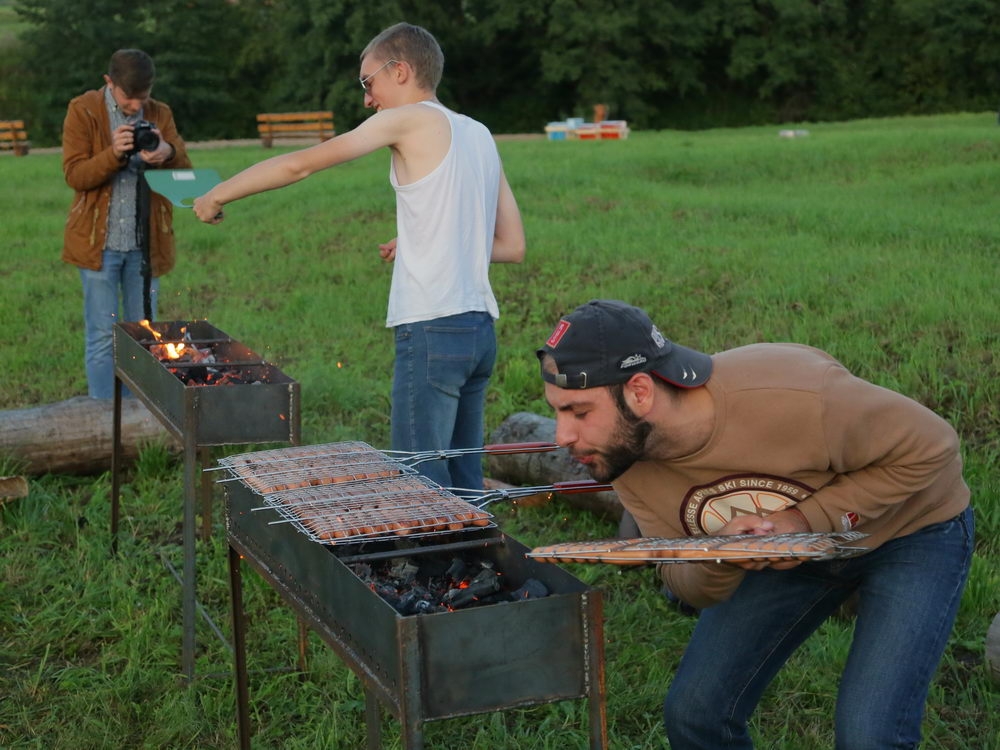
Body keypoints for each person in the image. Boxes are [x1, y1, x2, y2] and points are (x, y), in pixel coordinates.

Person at [536, 299, 973, 749]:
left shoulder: (794, 392)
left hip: (910, 532)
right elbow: (680, 577)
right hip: (786, 554)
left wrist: (803, 520)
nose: (562, 436)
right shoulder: (624, 460)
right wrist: (720, 555)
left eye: (579, 412)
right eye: (557, 411)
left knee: (868, 735)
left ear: (640, 392)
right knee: (695, 714)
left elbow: (933, 446)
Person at [193, 23, 525, 491]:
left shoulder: (409, 119)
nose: (367, 99)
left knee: (421, 487)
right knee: (464, 480)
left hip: (432, 326)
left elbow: (299, 164)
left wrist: (216, 194)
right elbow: (512, 246)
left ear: (401, 70)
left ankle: (433, 543)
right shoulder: (479, 133)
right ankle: (476, 542)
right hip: (478, 331)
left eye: (369, 82)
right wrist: (425, 241)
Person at [62, 48, 191, 400]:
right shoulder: (84, 110)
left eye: (143, 98)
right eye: (128, 98)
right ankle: (103, 416)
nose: (136, 106)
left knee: (144, 334)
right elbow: (75, 175)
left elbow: (185, 169)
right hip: (98, 244)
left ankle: (140, 415)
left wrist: (167, 153)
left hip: (146, 245)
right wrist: (113, 154)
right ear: (109, 82)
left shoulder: (160, 113)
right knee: (103, 335)